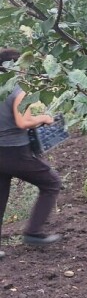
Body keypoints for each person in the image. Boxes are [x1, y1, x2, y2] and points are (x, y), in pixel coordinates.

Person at [0, 48, 63, 258]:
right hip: (15, 152)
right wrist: (44, 118)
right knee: (51, 183)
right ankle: (33, 233)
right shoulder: (17, 90)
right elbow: (23, 122)